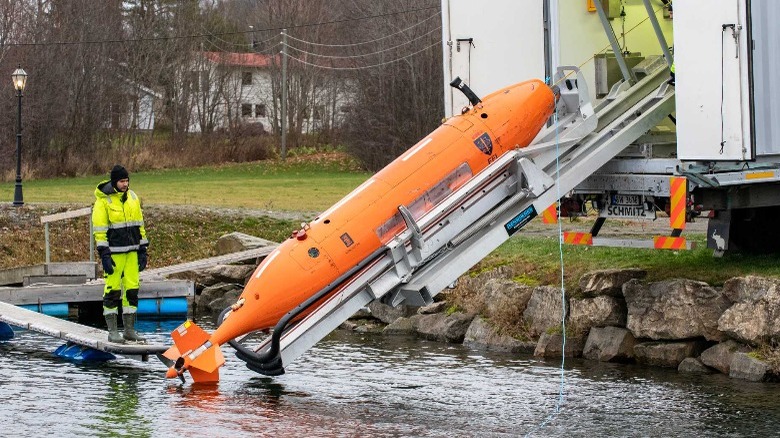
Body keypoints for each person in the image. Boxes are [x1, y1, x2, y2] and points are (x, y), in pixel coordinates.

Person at [92, 165, 149, 343]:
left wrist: (143, 249)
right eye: (122, 181)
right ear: (114, 181)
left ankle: (129, 330)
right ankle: (113, 331)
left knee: (132, 290)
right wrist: (104, 255)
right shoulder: (103, 202)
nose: (125, 184)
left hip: (132, 252)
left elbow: (140, 225)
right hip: (114, 254)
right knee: (112, 291)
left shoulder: (133, 197)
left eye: (127, 180)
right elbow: (99, 231)